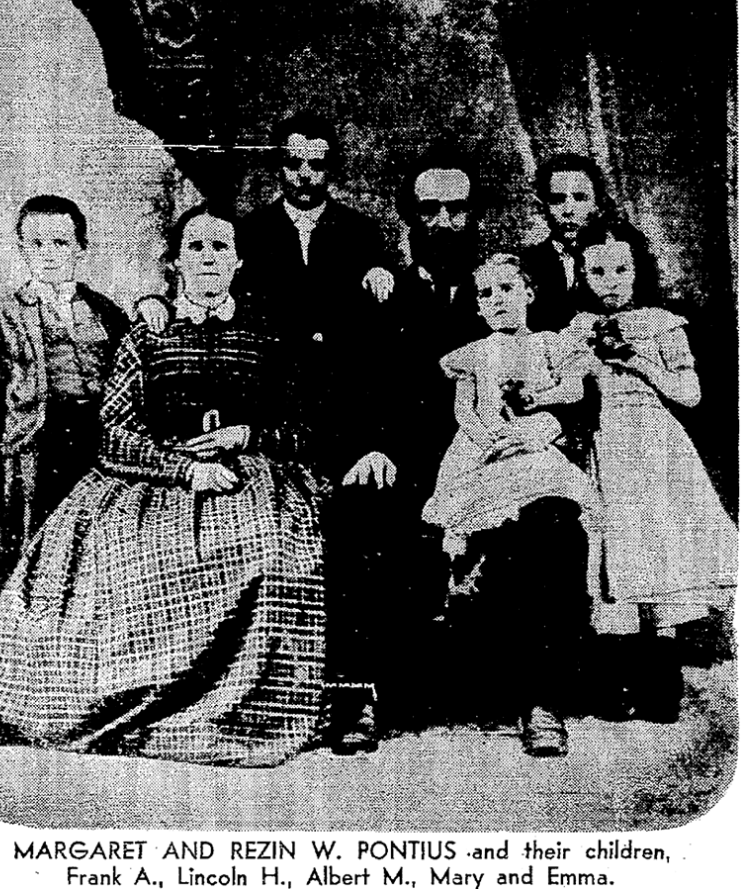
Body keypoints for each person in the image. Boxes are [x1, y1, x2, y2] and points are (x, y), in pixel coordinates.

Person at [0, 207, 327, 768]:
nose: (208, 258)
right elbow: (113, 435)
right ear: (175, 263)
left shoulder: (266, 335)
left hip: (252, 474)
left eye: (221, 248)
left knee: (271, 547)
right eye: (196, 248)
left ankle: (243, 707)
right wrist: (183, 468)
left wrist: (250, 432)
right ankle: (135, 702)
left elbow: (304, 424)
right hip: (153, 478)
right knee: (119, 555)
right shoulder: (144, 335)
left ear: (239, 261)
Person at [138, 113, 401, 754]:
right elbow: (208, 310)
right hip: (268, 407)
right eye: (293, 163)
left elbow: (386, 356)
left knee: (354, 522)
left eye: (317, 164)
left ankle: (353, 697)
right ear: (278, 166)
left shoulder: (363, 236)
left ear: (331, 167)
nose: (305, 175)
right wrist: (154, 307)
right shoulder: (247, 235)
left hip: (335, 415)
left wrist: (373, 439)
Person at [422, 253, 598, 757]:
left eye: (506, 290)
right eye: (485, 295)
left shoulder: (550, 345)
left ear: (529, 294)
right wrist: (489, 438)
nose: (496, 302)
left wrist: (541, 412)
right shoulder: (473, 354)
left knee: (550, 511)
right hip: (485, 450)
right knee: (471, 511)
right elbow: (464, 411)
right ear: (476, 307)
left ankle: (543, 700)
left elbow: (572, 391)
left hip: (534, 447)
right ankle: (466, 562)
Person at [561, 217, 737, 721]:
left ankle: (662, 681)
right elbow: (573, 390)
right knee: (615, 555)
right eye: (597, 271)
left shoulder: (662, 323)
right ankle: (620, 680)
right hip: (603, 444)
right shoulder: (577, 328)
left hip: (655, 448)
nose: (610, 280)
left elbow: (691, 394)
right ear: (581, 273)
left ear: (638, 270)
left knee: (659, 555)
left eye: (620, 269)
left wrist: (639, 361)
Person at [0, 195, 128, 616]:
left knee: (95, 545)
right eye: (36, 244)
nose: (48, 255)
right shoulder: (6, 313)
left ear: (80, 248)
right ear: (22, 248)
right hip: (37, 444)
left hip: (97, 442)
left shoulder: (104, 311)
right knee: (33, 551)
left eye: (60, 243)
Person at [522, 153, 614, 332]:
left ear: (598, 204)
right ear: (543, 208)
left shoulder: (620, 259)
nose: (568, 210)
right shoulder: (528, 264)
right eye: (557, 200)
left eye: (580, 198)